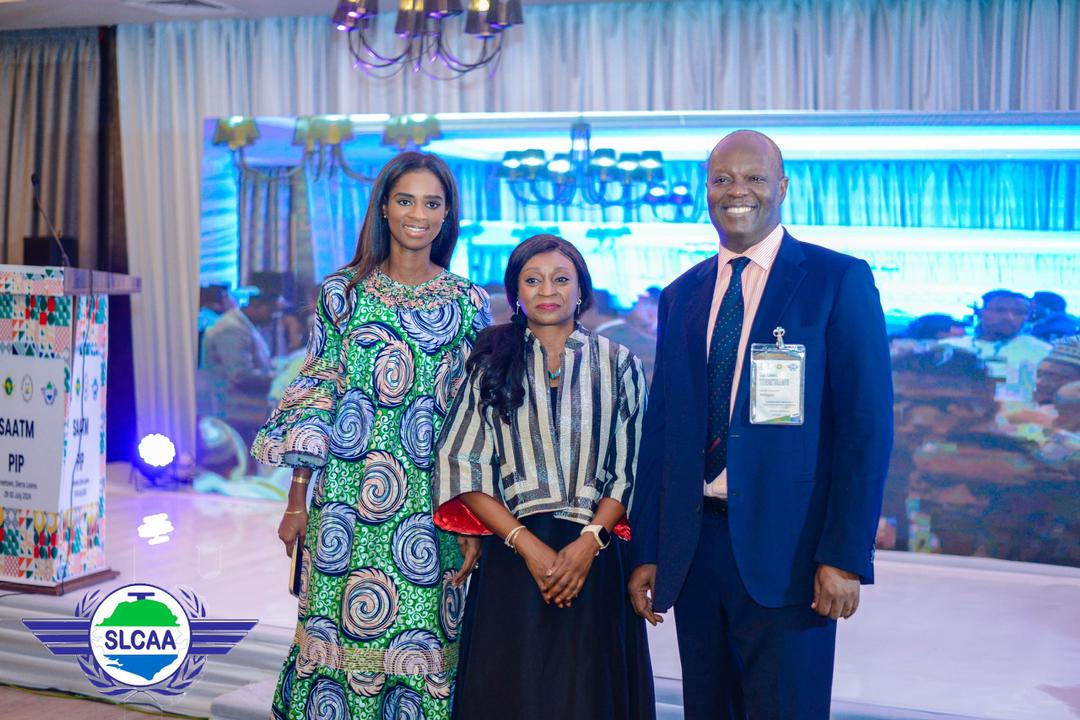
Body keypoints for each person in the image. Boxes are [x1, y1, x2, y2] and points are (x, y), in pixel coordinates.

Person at [627, 130, 893, 719]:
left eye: (753, 178)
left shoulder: (835, 279)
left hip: (792, 553)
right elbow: (663, 433)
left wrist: (845, 555)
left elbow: (866, 431)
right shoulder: (683, 293)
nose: (736, 191)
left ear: (783, 187)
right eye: (722, 179)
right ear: (706, 189)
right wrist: (649, 549)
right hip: (696, 551)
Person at [250, 151, 490, 720]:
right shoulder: (344, 292)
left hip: (429, 506)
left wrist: (471, 517)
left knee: (424, 637)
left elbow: (473, 417)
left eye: (431, 203)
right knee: (336, 637)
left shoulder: (467, 301)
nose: (418, 215)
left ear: (447, 213)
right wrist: (296, 499)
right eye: (405, 200)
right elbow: (318, 391)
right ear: (384, 207)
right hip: (345, 501)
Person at [432, 234, 655, 720]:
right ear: (516, 292)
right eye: (532, 280)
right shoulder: (491, 363)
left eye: (560, 279)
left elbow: (630, 468)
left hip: (594, 559)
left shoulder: (620, 364)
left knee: (588, 698)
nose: (547, 290)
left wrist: (587, 544)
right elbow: (462, 464)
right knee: (514, 695)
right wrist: (528, 546)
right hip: (512, 558)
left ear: (582, 289)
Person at [941, 290, 1051, 403]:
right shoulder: (950, 347)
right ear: (981, 313)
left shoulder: (1044, 352)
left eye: (1018, 312)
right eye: (999, 310)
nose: (1009, 317)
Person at [202, 290, 280, 446]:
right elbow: (240, 375)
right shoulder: (232, 328)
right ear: (256, 305)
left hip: (243, 409)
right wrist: (278, 377)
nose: (272, 317)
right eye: (271, 311)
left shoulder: (243, 324)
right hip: (234, 412)